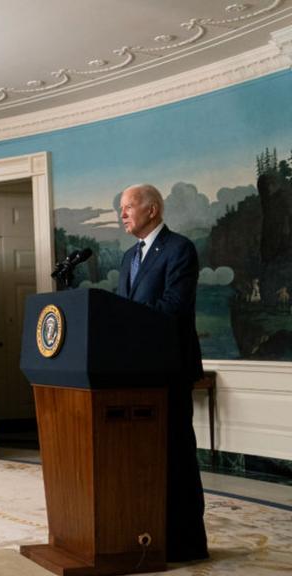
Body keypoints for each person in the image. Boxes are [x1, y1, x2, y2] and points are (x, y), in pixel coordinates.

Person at [117, 183, 208, 563]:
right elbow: (123, 310)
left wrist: (128, 321)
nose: (122, 214)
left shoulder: (179, 249)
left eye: (128, 207)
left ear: (152, 210)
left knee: (176, 455)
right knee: (143, 459)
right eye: (120, 207)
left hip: (169, 369)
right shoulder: (127, 258)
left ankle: (187, 543)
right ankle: (149, 535)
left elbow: (174, 305)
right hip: (136, 372)